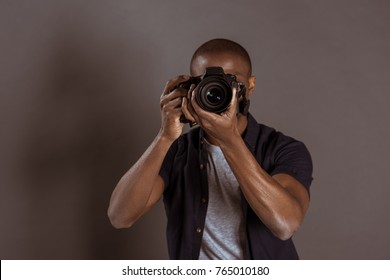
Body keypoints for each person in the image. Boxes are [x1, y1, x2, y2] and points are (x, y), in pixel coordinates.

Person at [107, 38, 313, 260]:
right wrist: (165, 136)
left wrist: (229, 139)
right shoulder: (177, 151)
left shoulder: (283, 149)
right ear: (192, 89)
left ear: (250, 86)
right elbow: (120, 217)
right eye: (207, 83)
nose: (218, 92)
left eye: (230, 82)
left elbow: (285, 224)